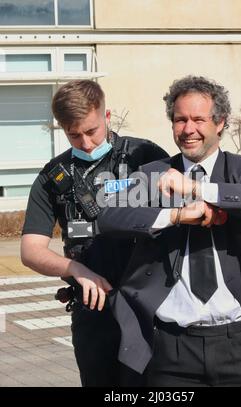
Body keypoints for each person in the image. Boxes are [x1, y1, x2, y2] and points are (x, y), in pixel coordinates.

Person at [97, 75, 241, 387]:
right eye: (180, 119)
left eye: (199, 119)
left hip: (239, 343)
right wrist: (176, 215)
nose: (188, 129)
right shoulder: (153, 174)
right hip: (171, 348)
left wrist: (198, 188)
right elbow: (109, 214)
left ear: (220, 122)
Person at [20, 79, 168, 387]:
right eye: (74, 135)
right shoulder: (53, 178)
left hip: (152, 309)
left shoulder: (144, 156)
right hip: (95, 313)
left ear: (107, 116)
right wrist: (76, 269)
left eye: (92, 131)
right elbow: (31, 250)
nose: (86, 143)